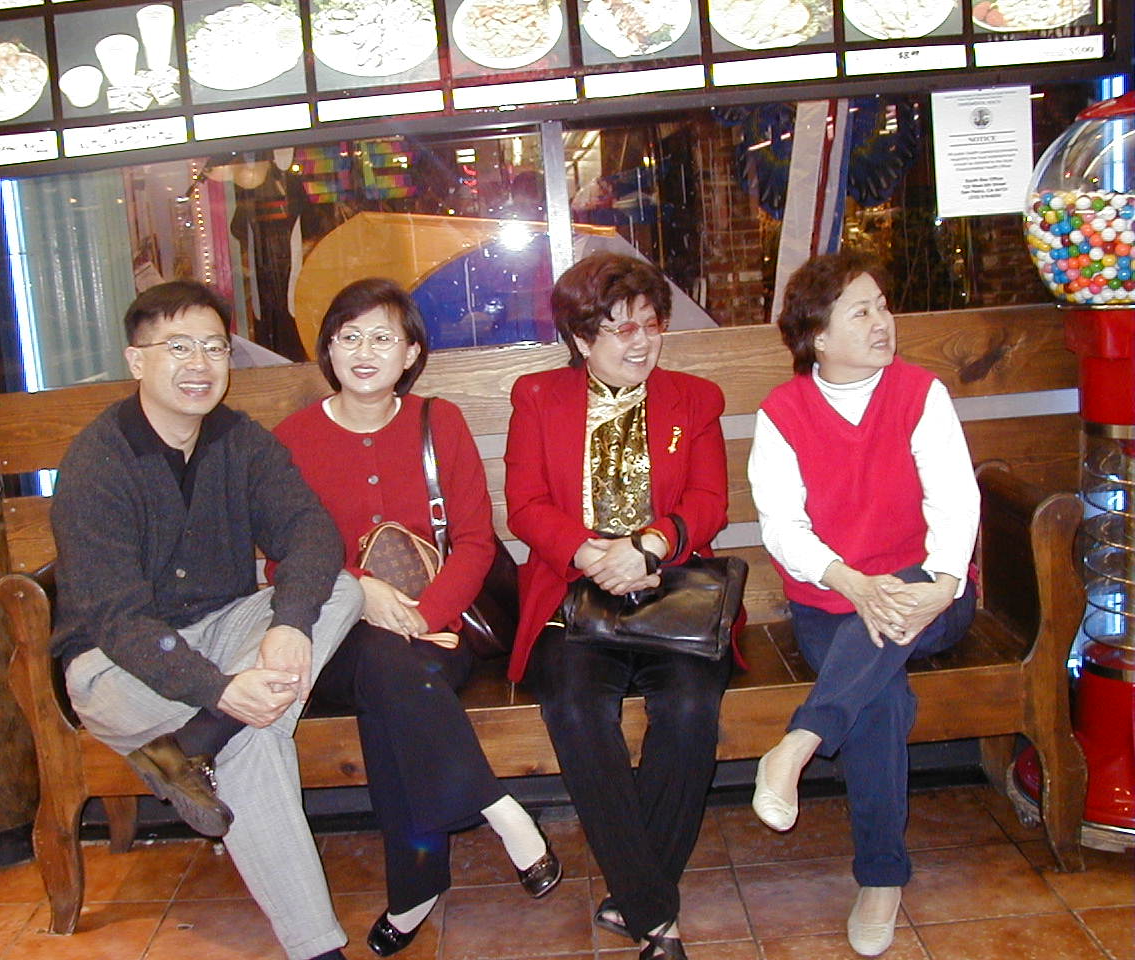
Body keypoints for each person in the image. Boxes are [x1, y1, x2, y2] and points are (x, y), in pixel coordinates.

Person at [50, 280, 361, 960]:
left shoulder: (238, 440)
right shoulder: (98, 463)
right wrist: (220, 692)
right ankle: (319, 949)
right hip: (114, 663)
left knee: (339, 591)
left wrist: (288, 624)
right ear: (137, 361)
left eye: (215, 347)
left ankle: (191, 748)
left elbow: (309, 531)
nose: (200, 365)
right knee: (252, 736)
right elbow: (118, 617)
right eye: (179, 347)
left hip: (225, 630)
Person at [272, 278, 561, 958]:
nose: (364, 351)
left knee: (390, 683)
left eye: (382, 337)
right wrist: (360, 594)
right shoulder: (292, 439)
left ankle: (417, 888)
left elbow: (475, 543)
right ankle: (498, 808)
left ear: (410, 353)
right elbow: (277, 558)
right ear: (328, 351)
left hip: (441, 625)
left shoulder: (441, 421)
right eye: (348, 337)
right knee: (380, 665)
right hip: (335, 634)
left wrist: (422, 613)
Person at [747, 249, 979, 958]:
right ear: (817, 335)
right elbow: (782, 526)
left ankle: (798, 744)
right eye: (862, 310)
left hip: (928, 596)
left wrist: (940, 582)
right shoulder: (783, 413)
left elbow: (955, 494)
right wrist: (850, 581)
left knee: (887, 628)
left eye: (883, 304)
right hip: (831, 603)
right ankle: (881, 878)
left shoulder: (919, 393)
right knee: (878, 693)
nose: (884, 321)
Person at [504, 252, 732, 960]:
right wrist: (588, 552)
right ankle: (654, 909)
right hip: (573, 596)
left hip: (672, 595)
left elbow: (709, 502)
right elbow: (525, 506)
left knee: (692, 707)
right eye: (618, 328)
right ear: (580, 339)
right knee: (573, 706)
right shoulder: (537, 398)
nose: (640, 341)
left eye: (650, 324)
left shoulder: (695, 399)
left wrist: (652, 545)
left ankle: (638, 901)